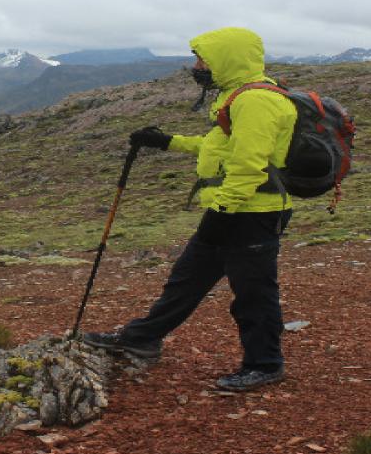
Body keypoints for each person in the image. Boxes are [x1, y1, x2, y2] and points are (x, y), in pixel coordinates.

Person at [82, 26, 297, 392]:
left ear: (226, 60)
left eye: (203, 59)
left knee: (253, 293)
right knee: (186, 280)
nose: (196, 66)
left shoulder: (256, 102)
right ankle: (142, 338)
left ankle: (265, 364)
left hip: (252, 214)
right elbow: (220, 148)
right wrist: (167, 142)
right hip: (230, 211)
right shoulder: (236, 95)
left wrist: (223, 211)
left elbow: (249, 167)